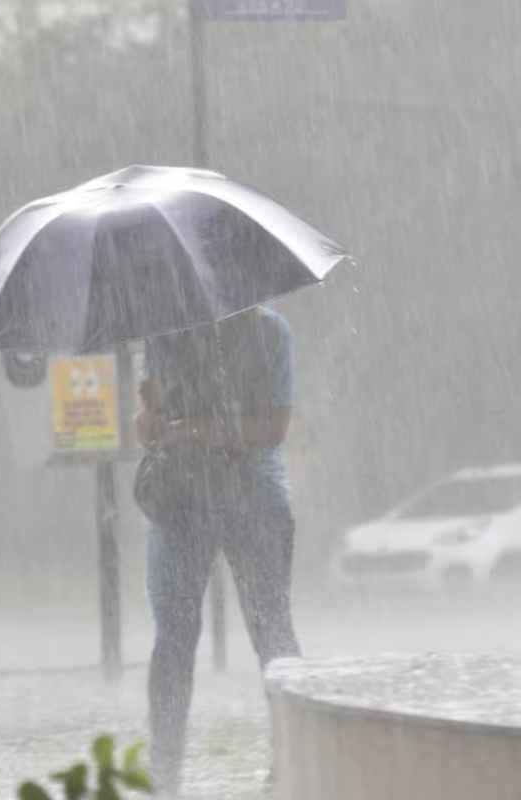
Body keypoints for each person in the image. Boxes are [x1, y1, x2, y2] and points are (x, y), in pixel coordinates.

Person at [135, 305, 302, 795]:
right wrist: (151, 411)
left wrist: (192, 431)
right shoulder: (166, 329)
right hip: (183, 497)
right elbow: (149, 429)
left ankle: (292, 761)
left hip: (250, 494)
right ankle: (164, 774)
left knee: (270, 631)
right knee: (174, 638)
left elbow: (272, 428)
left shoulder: (268, 331)